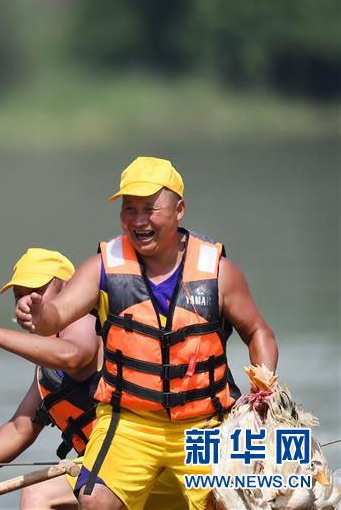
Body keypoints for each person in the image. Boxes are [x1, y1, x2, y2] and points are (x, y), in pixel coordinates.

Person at [15, 157, 278, 509]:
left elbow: (258, 332)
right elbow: (55, 316)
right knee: (94, 499)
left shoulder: (218, 272)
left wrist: (264, 392)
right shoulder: (102, 267)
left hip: (206, 425)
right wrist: (39, 314)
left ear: (179, 210)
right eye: (129, 209)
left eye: (149, 209)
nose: (138, 221)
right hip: (129, 425)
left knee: (234, 501)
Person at [0, 249, 184, 509]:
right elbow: (19, 429)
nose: (27, 302)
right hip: (108, 476)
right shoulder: (47, 368)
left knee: (39, 493)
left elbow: (73, 355)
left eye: (37, 290)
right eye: (19, 295)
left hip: (148, 464)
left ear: (68, 288)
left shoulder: (85, 320)